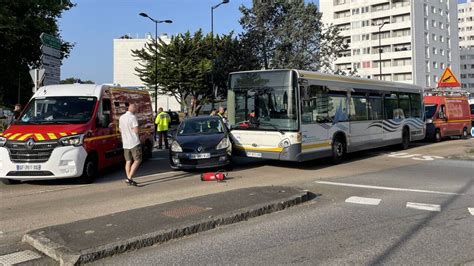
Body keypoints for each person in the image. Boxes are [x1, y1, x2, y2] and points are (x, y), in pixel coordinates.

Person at [119, 104, 141, 186]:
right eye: (136, 108)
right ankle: (129, 177)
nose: (136, 110)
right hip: (134, 142)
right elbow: (136, 131)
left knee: (128, 161)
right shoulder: (133, 117)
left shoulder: (121, 117)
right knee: (137, 159)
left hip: (125, 143)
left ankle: (129, 178)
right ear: (133, 108)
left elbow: (120, 130)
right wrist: (137, 129)